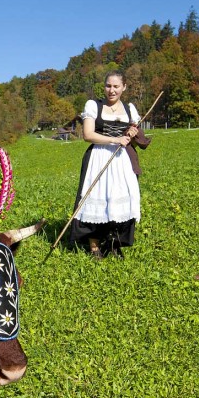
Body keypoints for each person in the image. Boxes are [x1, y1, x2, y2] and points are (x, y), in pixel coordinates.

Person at [69, 71, 144, 259]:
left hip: (121, 161)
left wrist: (132, 132)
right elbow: (88, 135)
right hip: (98, 157)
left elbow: (134, 133)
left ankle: (114, 243)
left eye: (116, 86)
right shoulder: (93, 105)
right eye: (108, 86)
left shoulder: (129, 109)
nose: (112, 90)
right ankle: (94, 247)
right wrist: (115, 139)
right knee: (96, 198)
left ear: (124, 87)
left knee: (120, 198)